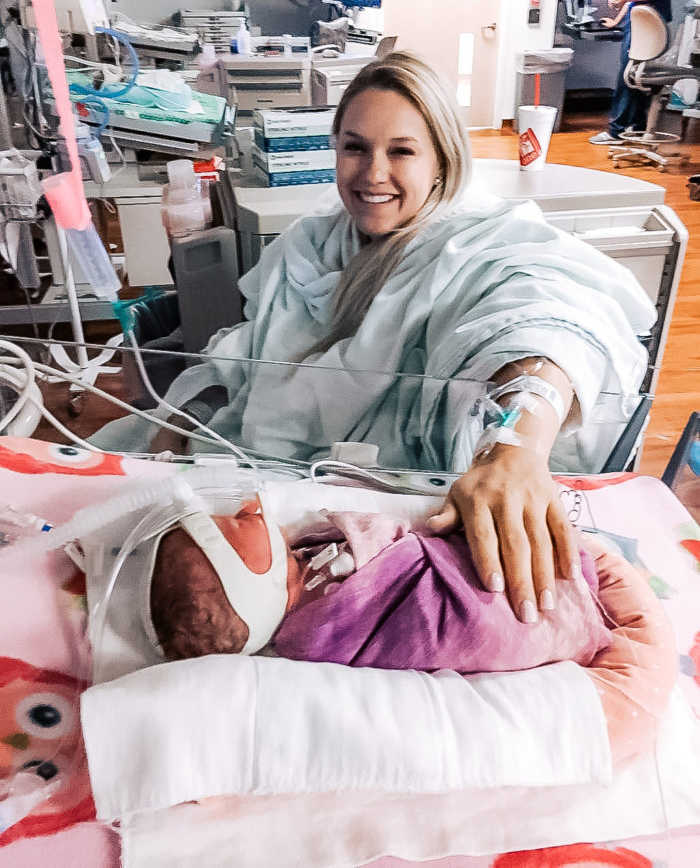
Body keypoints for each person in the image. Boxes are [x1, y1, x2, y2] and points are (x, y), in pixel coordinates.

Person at [94, 51, 656, 626]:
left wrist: (514, 447)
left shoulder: (478, 245)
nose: (372, 174)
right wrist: (187, 409)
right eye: (355, 147)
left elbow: (543, 321)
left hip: (385, 500)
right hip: (268, 480)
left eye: (402, 151)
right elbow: (253, 348)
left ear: (441, 161)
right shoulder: (310, 245)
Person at [146, 495, 612, 671]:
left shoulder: (303, 578)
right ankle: (564, 602)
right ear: (246, 584)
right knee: (492, 611)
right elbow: (387, 545)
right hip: (467, 615)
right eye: (231, 527)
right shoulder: (315, 617)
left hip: (437, 593)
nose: (245, 511)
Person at [590, 0, 672, 145]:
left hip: (647, 30)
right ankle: (636, 128)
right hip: (636, 26)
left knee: (627, 76)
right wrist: (616, 20)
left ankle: (615, 133)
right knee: (634, 76)